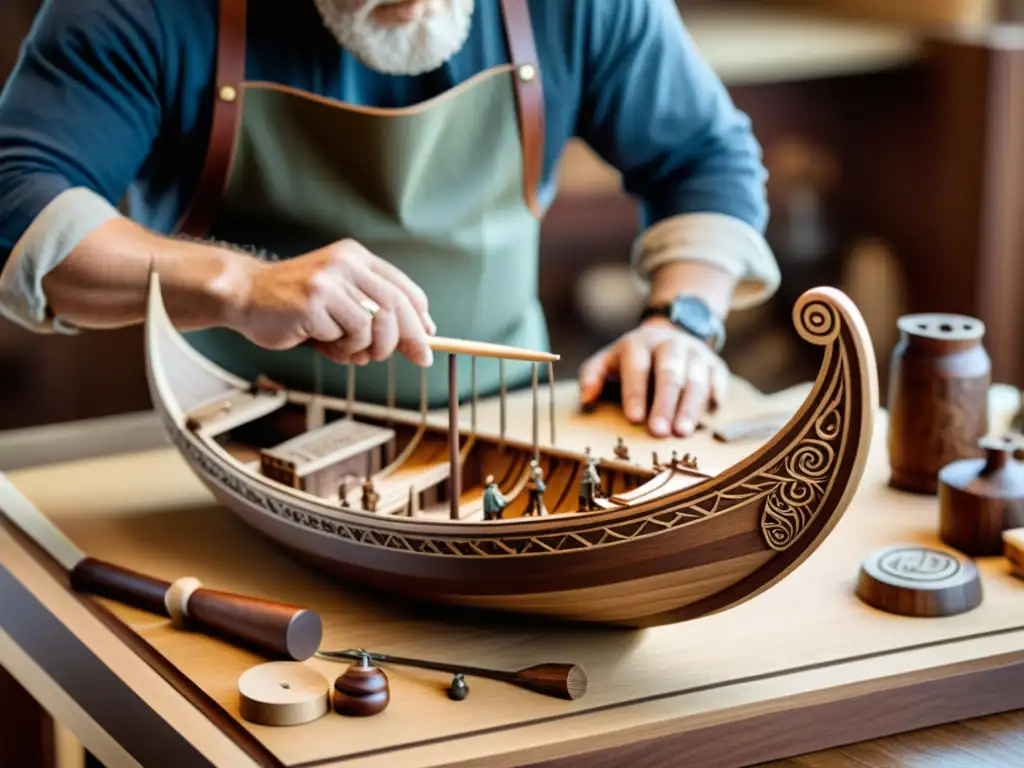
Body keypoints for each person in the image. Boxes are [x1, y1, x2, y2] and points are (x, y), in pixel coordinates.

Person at [0, 0, 781, 440]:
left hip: (513, 426)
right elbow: (16, 199)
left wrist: (680, 323)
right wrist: (239, 283)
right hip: (232, 434)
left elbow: (707, 158)